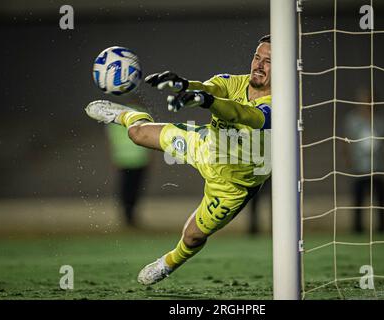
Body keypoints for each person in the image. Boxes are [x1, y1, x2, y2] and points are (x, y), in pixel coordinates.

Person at [85, 35, 272, 285]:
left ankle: (169, 262)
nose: (258, 65)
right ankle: (129, 115)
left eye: (268, 61)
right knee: (137, 133)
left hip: (233, 185)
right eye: (257, 57)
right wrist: (183, 84)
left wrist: (208, 101)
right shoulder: (232, 82)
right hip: (205, 146)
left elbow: (244, 114)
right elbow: (208, 88)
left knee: (193, 237)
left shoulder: (280, 105)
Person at [344, 87, 384, 234]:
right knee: (358, 201)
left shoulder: (383, 121)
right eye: (364, 100)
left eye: (370, 99)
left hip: (379, 167)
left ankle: (382, 230)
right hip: (359, 168)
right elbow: (345, 142)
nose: (367, 102)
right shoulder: (352, 120)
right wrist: (347, 161)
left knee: (381, 202)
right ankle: (357, 229)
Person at [106, 117, 151, 228]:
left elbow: (112, 139)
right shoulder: (142, 115)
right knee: (134, 190)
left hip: (123, 159)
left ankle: (127, 217)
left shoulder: (115, 117)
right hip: (139, 159)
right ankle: (130, 217)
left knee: (125, 189)